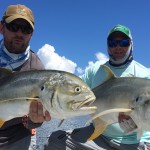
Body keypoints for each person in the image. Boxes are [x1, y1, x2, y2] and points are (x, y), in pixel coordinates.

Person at [44, 24, 150, 150]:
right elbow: (71, 91)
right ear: (107, 45)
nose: (118, 47)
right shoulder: (95, 70)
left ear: (131, 44)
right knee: (55, 141)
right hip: (99, 137)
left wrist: (136, 125)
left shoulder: (145, 75)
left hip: (134, 144)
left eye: (124, 42)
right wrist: (51, 106)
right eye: (112, 43)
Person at [0, 4, 51, 150]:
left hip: (17, 135)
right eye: (14, 26)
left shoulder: (36, 68)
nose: (19, 33)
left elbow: (32, 122)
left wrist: (34, 121)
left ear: (32, 34)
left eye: (26, 29)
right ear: (1, 27)